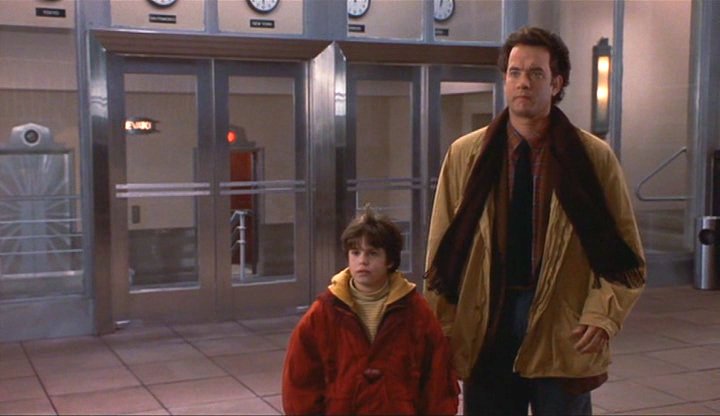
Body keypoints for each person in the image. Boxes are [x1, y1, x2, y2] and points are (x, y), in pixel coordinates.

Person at [424, 26, 646, 416]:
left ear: (556, 83)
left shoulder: (592, 158)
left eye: (535, 73)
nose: (523, 82)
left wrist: (602, 314)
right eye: (514, 72)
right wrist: (441, 328)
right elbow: (442, 252)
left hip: (563, 322)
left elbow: (625, 255)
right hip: (486, 319)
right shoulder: (467, 155)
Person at [282, 207, 459, 415]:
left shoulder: (415, 312)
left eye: (372, 253)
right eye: (355, 252)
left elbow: (437, 380)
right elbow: (300, 381)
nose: (362, 261)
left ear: (390, 261)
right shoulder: (324, 312)